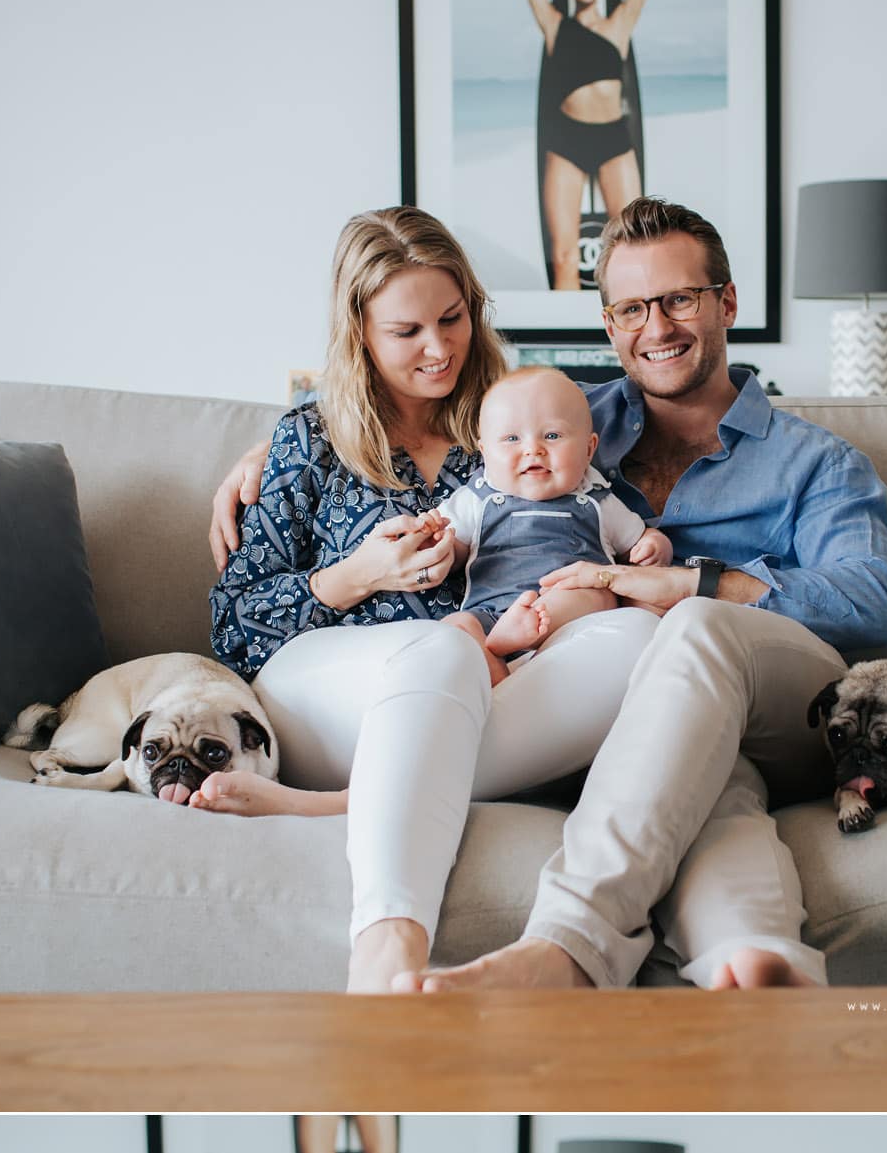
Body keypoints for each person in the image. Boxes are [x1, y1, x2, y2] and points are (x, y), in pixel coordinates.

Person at [207, 198, 887, 996]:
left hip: (704, 669)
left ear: (727, 303)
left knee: (679, 636)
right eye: (632, 309)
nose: (657, 327)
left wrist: (683, 582)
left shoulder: (817, 463)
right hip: (531, 690)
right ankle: (749, 955)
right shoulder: (567, 415)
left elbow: (871, 599)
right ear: (609, 327)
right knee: (690, 761)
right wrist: (282, 445)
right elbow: (430, 423)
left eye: (679, 300)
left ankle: (559, 940)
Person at [198, 204, 661, 996]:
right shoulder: (308, 441)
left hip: (489, 696)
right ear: (360, 333)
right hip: (333, 682)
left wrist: (626, 573)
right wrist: (358, 575)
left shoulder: (519, 418)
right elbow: (236, 624)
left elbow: (601, 482)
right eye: (407, 331)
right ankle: (385, 947)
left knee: (644, 639)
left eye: (452, 319)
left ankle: (353, 802)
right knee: (446, 644)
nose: (440, 348)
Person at [441, 368, 671, 676]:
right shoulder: (476, 498)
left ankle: (525, 630)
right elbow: (451, 548)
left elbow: (637, 542)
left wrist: (655, 545)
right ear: (485, 453)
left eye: (552, 435)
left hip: (567, 624)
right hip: (491, 617)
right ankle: (494, 663)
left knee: (597, 594)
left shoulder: (597, 498)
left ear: (589, 449)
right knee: (453, 630)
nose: (532, 449)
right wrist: (439, 545)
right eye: (511, 438)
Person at [521, 0, 654, 288]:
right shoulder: (554, 26)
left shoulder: (619, 25)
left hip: (613, 139)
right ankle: (570, 333)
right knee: (564, 256)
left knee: (634, 247)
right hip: (566, 142)